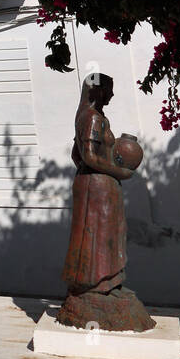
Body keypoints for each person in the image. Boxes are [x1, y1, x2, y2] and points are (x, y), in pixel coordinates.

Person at [62, 73, 136, 296]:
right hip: (97, 185)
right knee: (99, 233)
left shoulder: (89, 117)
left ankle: (108, 282)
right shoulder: (93, 118)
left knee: (108, 231)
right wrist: (119, 172)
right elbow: (88, 157)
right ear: (98, 91)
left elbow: (77, 155)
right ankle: (97, 285)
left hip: (97, 183)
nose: (112, 94)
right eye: (109, 90)